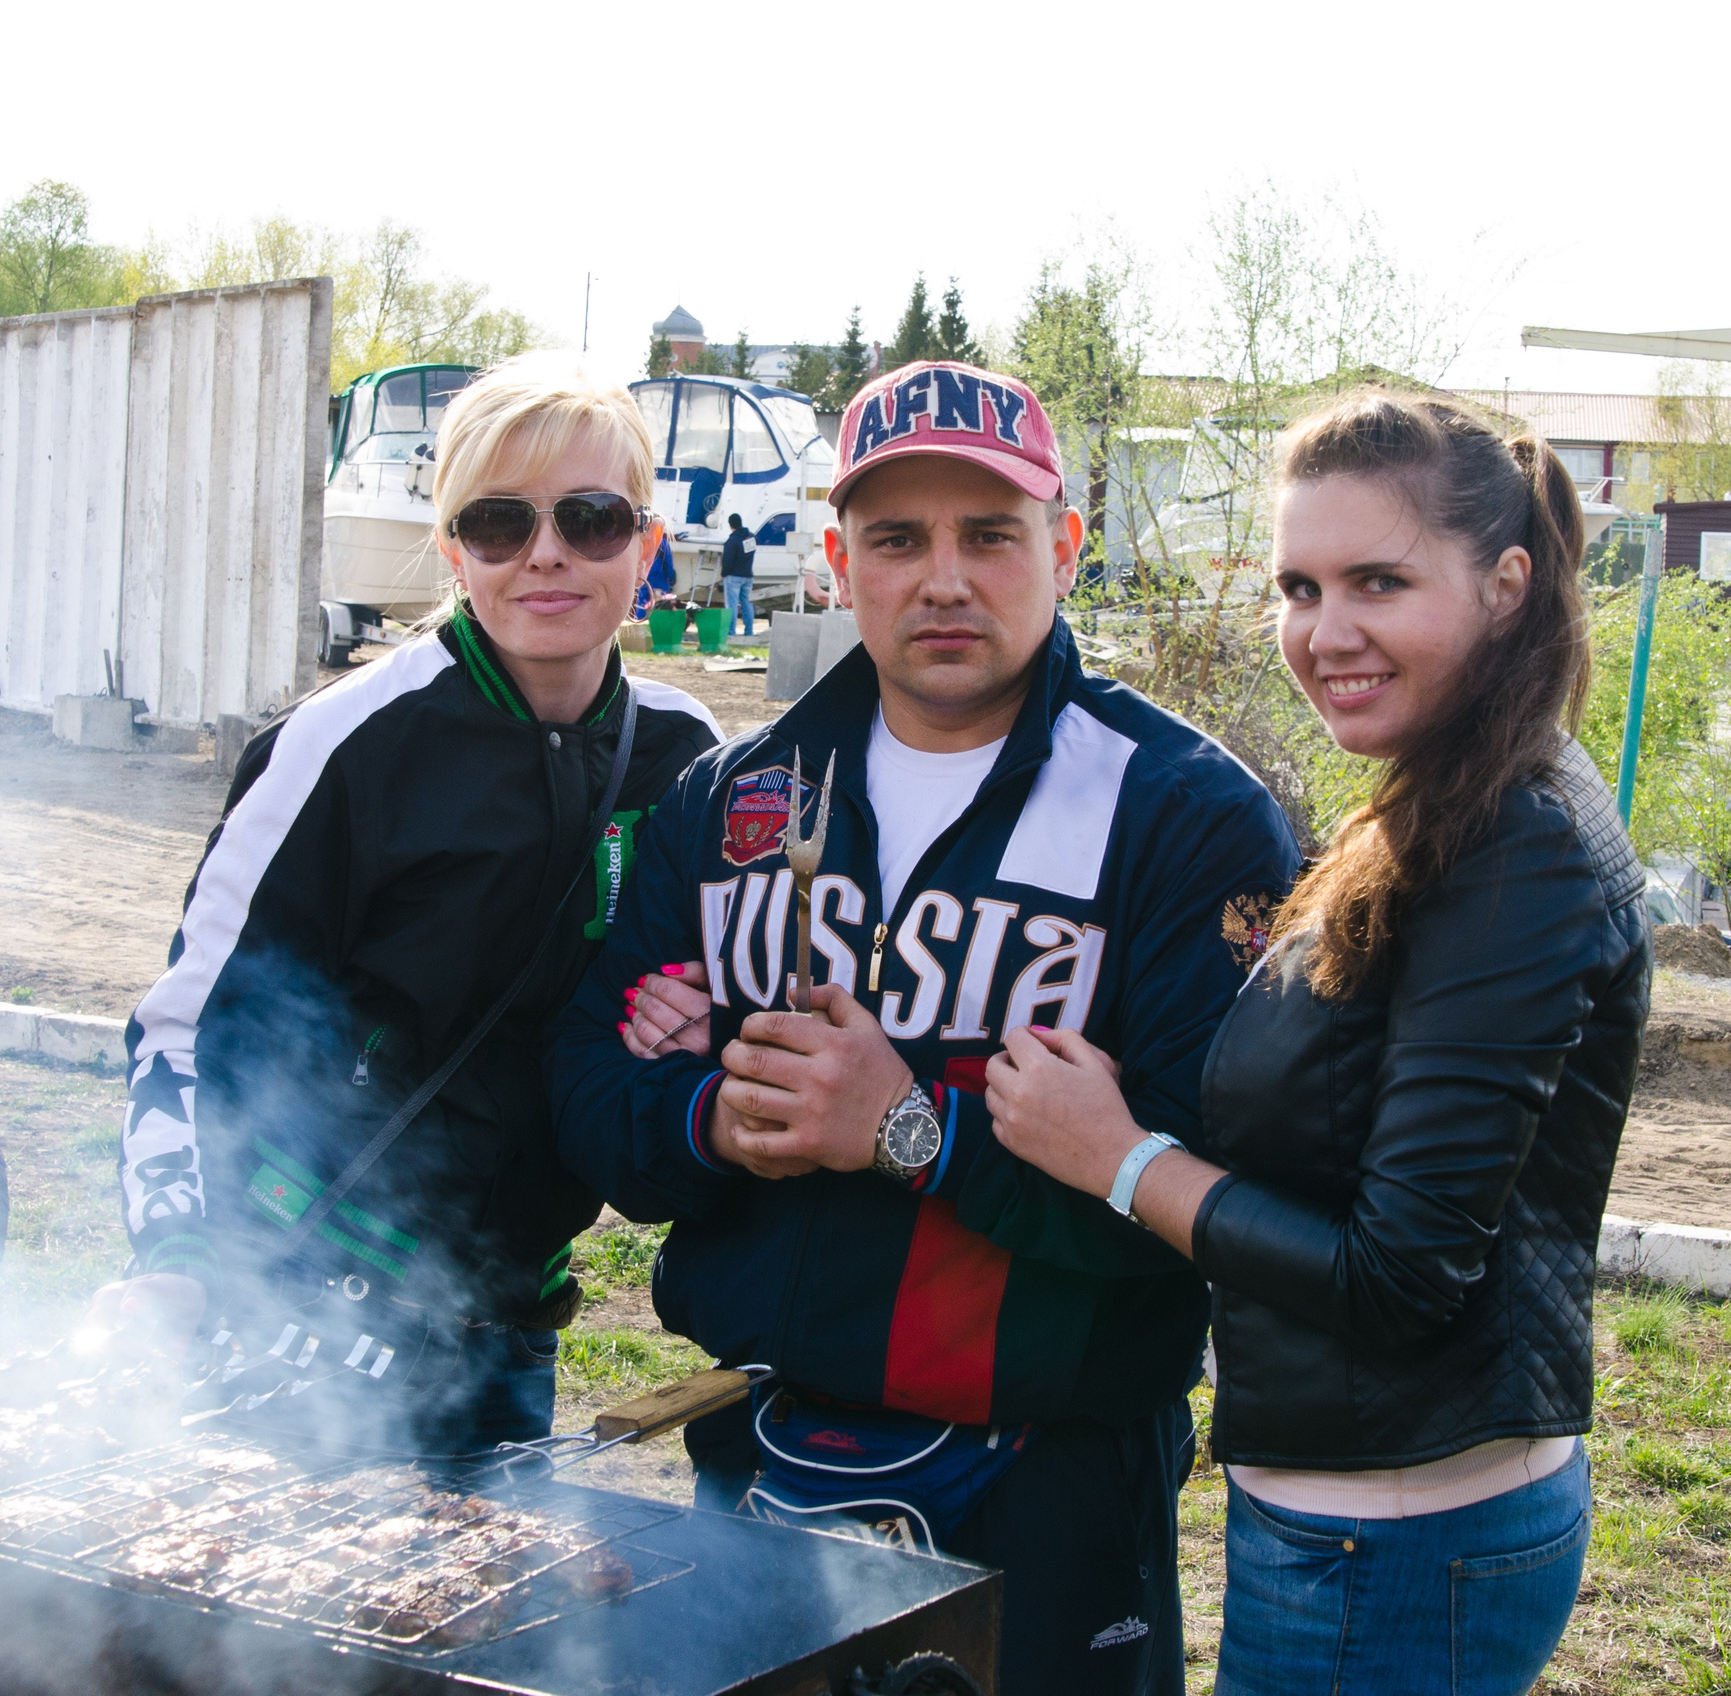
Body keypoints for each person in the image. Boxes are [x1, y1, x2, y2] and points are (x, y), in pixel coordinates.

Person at [548, 361, 1300, 1696]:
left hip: (1050, 1482)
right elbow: (592, 1094)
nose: (944, 579)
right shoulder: (732, 798)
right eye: (898, 539)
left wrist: (909, 1131)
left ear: (1064, 547)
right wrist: (713, 1118)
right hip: (764, 1450)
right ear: (840, 563)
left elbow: (1214, 1188)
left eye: (990, 534)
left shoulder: (1186, 815)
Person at [986, 391, 1648, 1695]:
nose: (1323, 632)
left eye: (1379, 582)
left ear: (1507, 586)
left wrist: (1119, 1160)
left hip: (1394, 1536)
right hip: (1374, 1514)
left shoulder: (1511, 848)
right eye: (1297, 585)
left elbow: (1397, 1277)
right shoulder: (1447, 798)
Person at [93, 353, 721, 1453]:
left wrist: (697, 1028)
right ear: (450, 548)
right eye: (496, 522)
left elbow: (718, 1004)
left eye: (590, 517)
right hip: (300, 1308)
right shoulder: (343, 744)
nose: (545, 554)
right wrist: (178, 1263)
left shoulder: (690, 760)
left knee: (475, 1624)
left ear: (649, 545)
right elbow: (190, 1030)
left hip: (508, 1323)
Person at [720, 512, 758, 638]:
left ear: (731, 525)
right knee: (747, 603)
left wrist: (724, 574)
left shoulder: (732, 541)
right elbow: (750, 554)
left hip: (734, 576)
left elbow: (727, 560)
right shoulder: (750, 537)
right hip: (748, 575)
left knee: (731, 605)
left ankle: (731, 632)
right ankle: (749, 631)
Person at [635, 530, 678, 620]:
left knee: (643, 602)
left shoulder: (641, 541)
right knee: (661, 604)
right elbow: (668, 563)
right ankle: (659, 625)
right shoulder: (663, 543)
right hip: (659, 578)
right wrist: (670, 579)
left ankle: (640, 623)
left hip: (644, 576)